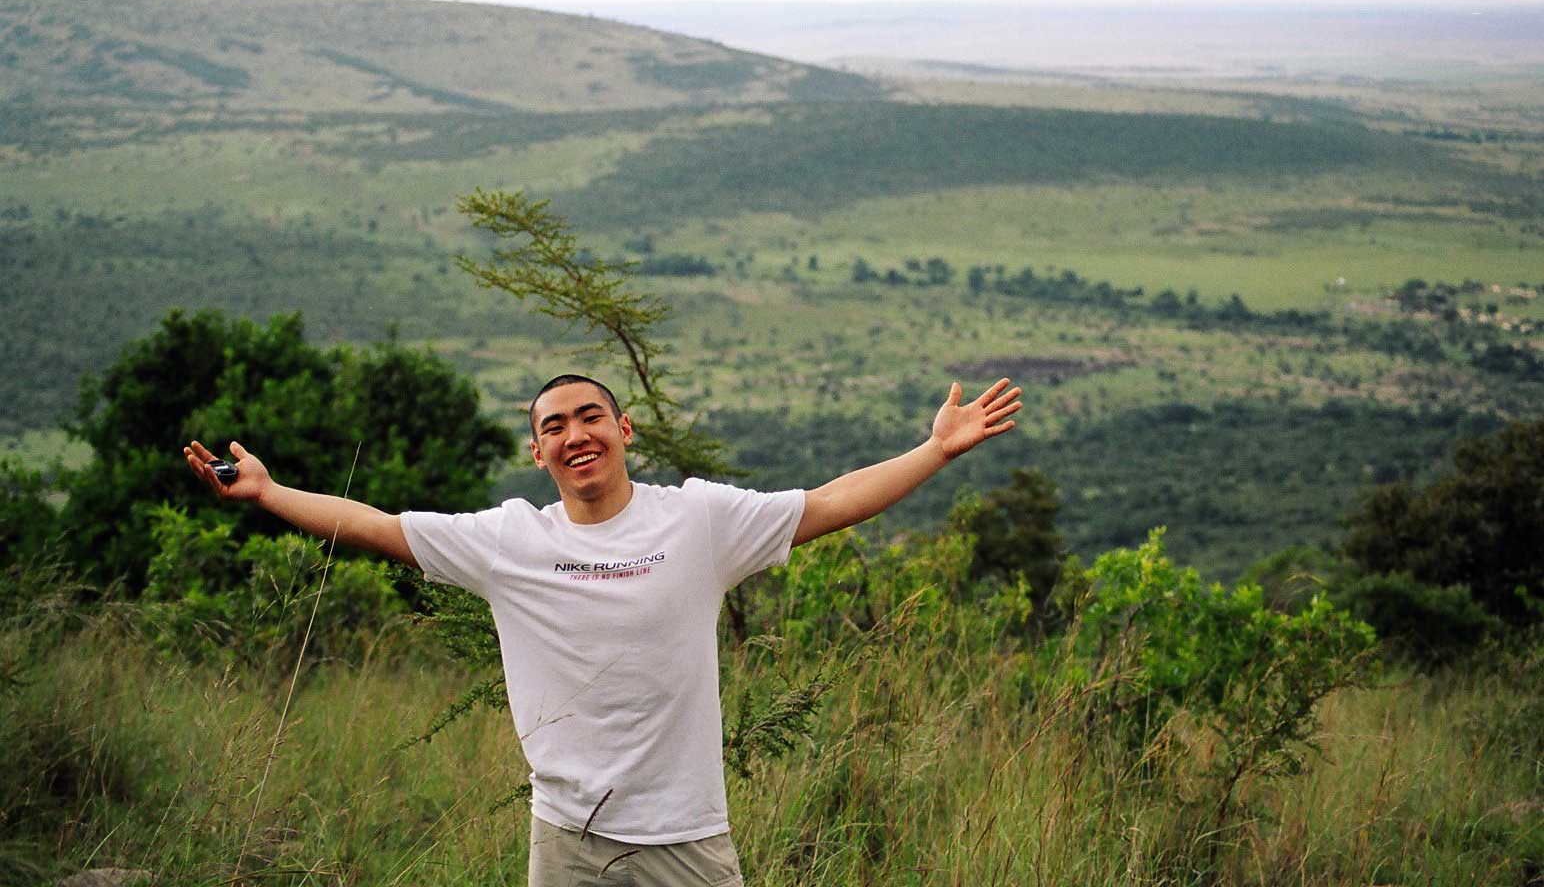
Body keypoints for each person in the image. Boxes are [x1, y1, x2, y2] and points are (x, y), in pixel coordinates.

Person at [184, 372, 1021, 886]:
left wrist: (935, 451)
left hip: (686, 834)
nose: (574, 435)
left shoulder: (699, 520)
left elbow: (830, 502)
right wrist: (269, 492)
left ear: (623, 431)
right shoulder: (509, 540)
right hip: (567, 839)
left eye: (590, 417)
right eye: (553, 426)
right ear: (538, 453)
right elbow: (376, 525)